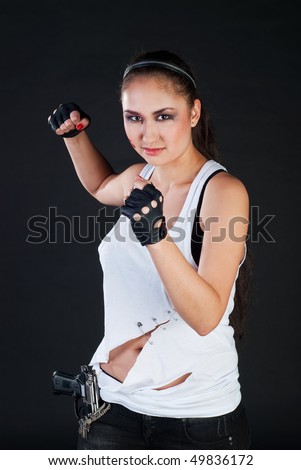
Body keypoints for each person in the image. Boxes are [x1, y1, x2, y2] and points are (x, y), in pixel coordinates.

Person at [48, 49, 252, 450]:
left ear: (193, 113)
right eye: (134, 118)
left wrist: (156, 235)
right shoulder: (139, 178)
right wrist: (75, 136)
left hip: (194, 420)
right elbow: (99, 185)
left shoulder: (221, 192)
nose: (148, 135)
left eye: (164, 116)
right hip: (111, 409)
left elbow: (206, 316)